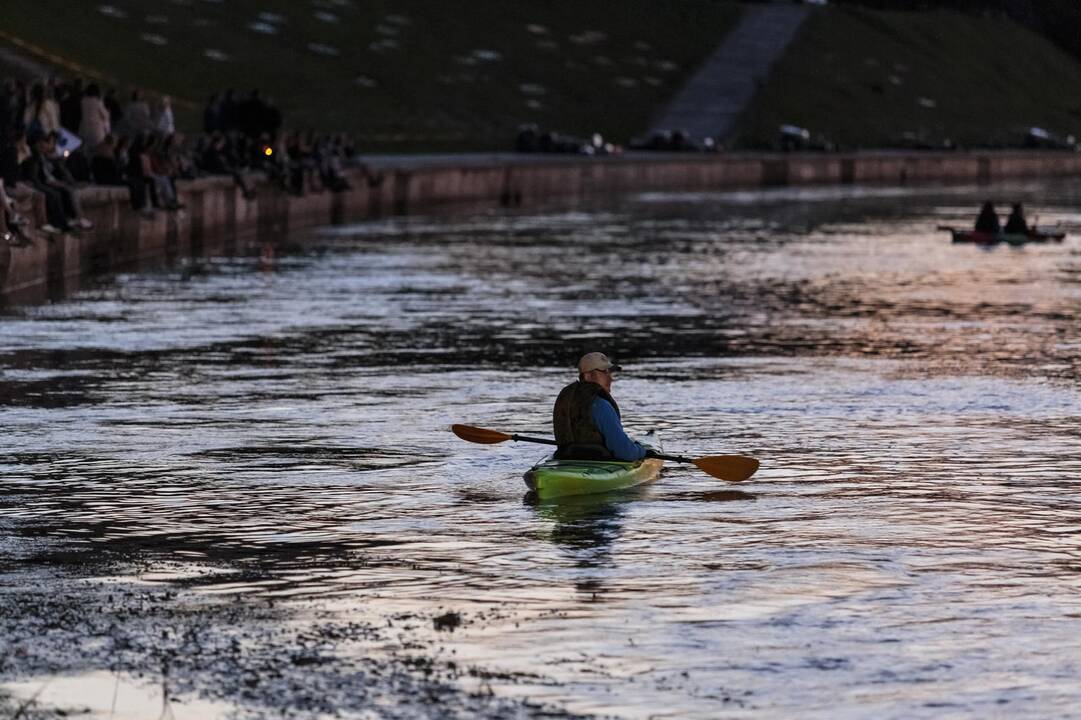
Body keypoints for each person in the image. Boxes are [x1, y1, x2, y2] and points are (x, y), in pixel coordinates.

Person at [552, 352, 648, 461]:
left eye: (610, 373)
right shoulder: (601, 406)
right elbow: (626, 453)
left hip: (566, 459)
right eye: (605, 372)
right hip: (599, 464)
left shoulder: (567, 400)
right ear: (588, 376)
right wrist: (642, 450)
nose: (610, 378)